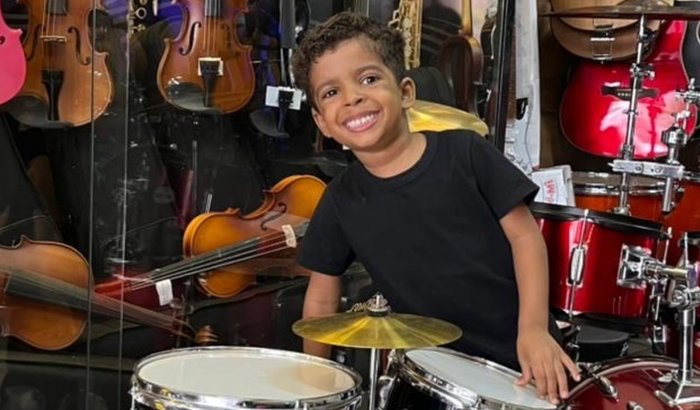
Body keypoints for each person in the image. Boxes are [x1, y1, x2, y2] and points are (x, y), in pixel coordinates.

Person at [291, 11, 580, 404]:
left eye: (369, 79)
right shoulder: (341, 197)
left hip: (522, 359)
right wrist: (314, 382)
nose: (352, 97)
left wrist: (533, 330)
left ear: (405, 92)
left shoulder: (466, 153)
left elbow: (525, 238)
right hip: (434, 373)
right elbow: (322, 296)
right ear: (321, 122)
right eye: (330, 93)